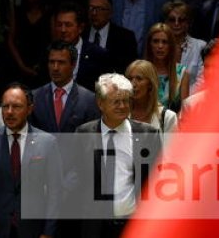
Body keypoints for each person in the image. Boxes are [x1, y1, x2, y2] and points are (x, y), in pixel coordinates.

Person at [71, 74, 162, 238]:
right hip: (94, 226)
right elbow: (77, 179)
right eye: (116, 101)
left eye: (126, 101)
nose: (122, 106)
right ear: (100, 103)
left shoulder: (148, 134)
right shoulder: (83, 134)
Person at [0, 84, 63, 238]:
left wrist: (48, 232)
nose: (9, 112)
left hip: (34, 228)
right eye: (5, 106)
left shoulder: (48, 142)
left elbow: (56, 192)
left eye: (16, 106)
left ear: (29, 109)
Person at [30, 41, 101, 133]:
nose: (55, 68)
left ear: (73, 65)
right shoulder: (34, 97)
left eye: (61, 62)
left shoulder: (89, 100)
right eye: (52, 62)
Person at [48, 4, 109, 90]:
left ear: (80, 28)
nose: (63, 30)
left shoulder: (97, 54)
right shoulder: (48, 53)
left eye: (68, 25)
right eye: (59, 25)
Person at [7, 0, 52, 85]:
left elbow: (53, 41)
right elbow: (10, 40)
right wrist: (21, 65)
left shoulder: (49, 14)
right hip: (19, 62)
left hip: (42, 65)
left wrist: (42, 63)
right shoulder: (17, 11)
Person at [84, 0, 138, 75]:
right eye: (91, 8)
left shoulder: (125, 38)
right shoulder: (81, 33)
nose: (94, 13)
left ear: (110, 13)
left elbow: (130, 71)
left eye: (99, 9)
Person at [124, 60, 178, 140]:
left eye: (139, 79)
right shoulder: (121, 114)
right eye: (130, 79)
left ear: (150, 84)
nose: (133, 84)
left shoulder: (168, 117)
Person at [143, 23, 189, 112]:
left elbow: (184, 111)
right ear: (149, 44)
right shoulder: (141, 70)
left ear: (171, 46)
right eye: (156, 41)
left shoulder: (182, 73)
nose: (160, 46)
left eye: (165, 42)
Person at [162, 0, 205, 87]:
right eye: (172, 20)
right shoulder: (159, 45)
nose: (176, 24)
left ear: (188, 23)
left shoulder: (200, 46)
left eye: (181, 20)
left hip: (192, 98)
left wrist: (185, 99)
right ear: (166, 22)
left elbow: (201, 81)